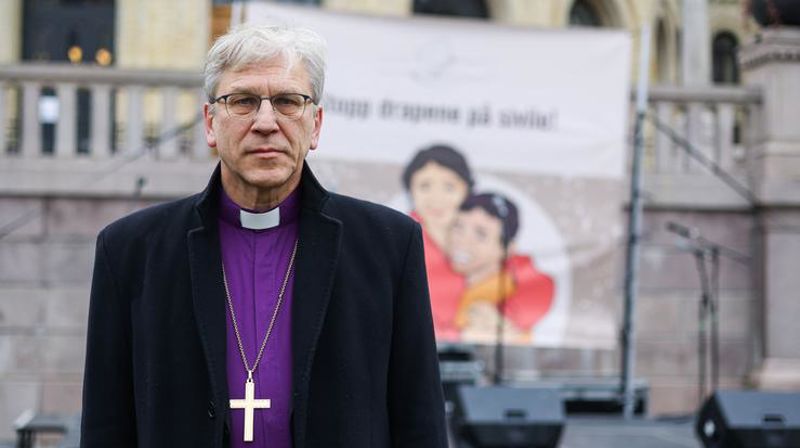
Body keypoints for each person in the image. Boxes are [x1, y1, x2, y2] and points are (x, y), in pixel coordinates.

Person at [81, 24, 447, 448]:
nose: (266, 122)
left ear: (316, 125)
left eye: (289, 101)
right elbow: (106, 428)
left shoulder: (388, 246)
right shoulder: (130, 251)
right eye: (243, 101)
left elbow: (420, 425)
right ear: (210, 123)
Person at [446, 193, 554, 344]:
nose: (462, 240)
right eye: (458, 227)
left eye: (480, 234)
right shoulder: (448, 281)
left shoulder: (508, 293)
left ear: (507, 249)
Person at [402, 144, 473, 341]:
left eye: (449, 187)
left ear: (466, 191)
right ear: (411, 190)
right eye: (425, 186)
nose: (437, 198)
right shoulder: (399, 236)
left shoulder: (478, 235)